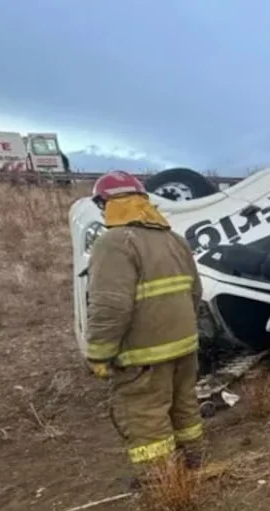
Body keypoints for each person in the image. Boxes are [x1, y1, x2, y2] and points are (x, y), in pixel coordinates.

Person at [84, 170, 205, 483]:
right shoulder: (174, 240)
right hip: (184, 344)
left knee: (146, 416)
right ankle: (194, 460)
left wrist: (99, 353)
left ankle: (162, 481)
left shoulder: (114, 243)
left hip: (143, 354)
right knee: (184, 405)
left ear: (106, 203)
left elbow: (111, 305)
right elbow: (195, 293)